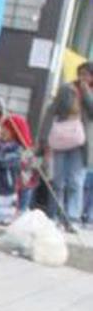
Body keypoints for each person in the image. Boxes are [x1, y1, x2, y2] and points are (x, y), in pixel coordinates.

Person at [38, 61, 93, 228]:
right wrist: (44, 138)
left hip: (82, 143)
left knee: (76, 181)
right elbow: (51, 111)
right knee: (58, 180)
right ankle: (54, 214)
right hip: (62, 137)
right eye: (81, 73)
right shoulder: (67, 89)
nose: (83, 77)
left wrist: (86, 93)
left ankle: (72, 217)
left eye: (87, 74)